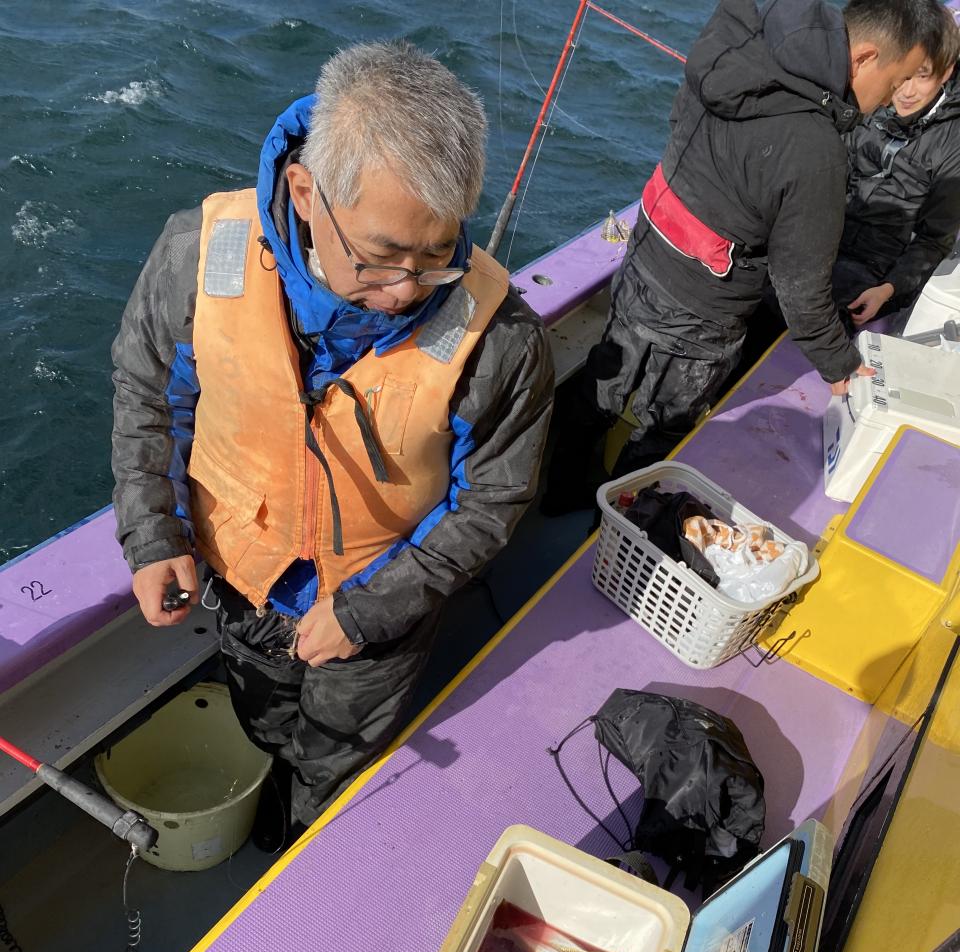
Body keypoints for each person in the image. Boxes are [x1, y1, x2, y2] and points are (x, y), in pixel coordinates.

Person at [111, 41, 553, 839]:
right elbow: (148, 396)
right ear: (305, 192)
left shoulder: (504, 340)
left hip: (383, 614)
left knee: (335, 759)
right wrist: (154, 535)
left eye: (438, 256)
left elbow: (492, 501)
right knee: (260, 718)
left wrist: (368, 612)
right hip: (241, 581)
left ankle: (305, 835)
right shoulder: (196, 254)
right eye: (381, 257)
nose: (406, 290)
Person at [543, 0, 946, 512]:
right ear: (865, 57)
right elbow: (801, 290)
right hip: (704, 312)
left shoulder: (738, 35)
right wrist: (841, 364)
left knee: (600, 389)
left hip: (646, 255)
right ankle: (610, 530)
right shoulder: (816, 149)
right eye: (894, 81)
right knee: (662, 428)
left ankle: (558, 496)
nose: (891, 99)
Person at [835, 7, 960, 328]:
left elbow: (935, 240)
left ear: (946, 72)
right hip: (823, 236)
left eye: (923, 76)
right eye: (904, 74)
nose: (906, 91)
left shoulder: (953, 143)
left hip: (875, 268)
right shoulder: (867, 96)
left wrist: (888, 290)